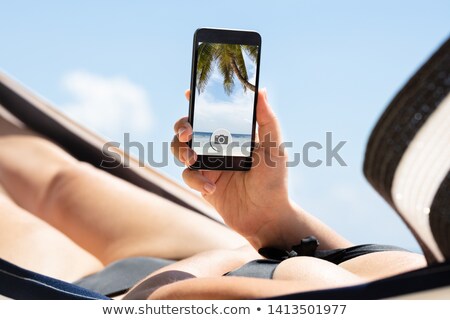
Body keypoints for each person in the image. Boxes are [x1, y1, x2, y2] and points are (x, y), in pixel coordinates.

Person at [0, 89, 425, 300]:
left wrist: (235, 258)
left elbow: (159, 301)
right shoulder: (427, 281)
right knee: (60, 179)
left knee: (48, 188)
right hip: (235, 251)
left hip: (109, 296)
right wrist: (271, 219)